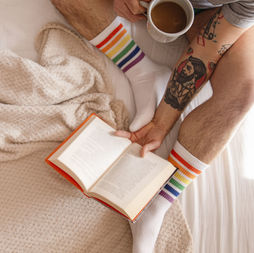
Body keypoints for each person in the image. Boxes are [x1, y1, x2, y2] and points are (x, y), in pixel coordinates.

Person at [50, 0, 254, 252]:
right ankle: (140, 70)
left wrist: (161, 121)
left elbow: (208, 47)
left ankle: (156, 204)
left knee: (243, 92)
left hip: (212, 16)